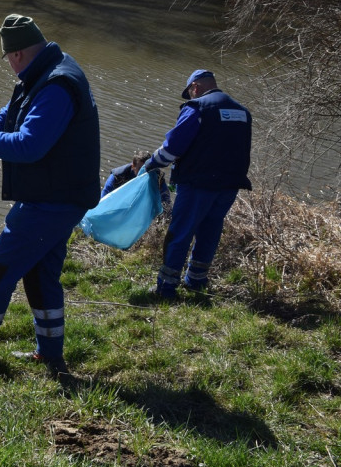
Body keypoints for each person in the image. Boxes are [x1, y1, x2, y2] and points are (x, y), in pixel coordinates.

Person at [0, 14, 101, 378]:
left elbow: (29, 145)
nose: (9, 65)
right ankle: (51, 356)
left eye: (8, 58)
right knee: (40, 274)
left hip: (55, 199)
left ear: (18, 54)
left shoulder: (57, 85)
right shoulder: (44, 70)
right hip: (56, 192)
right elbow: (11, 115)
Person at [143, 69, 252, 299]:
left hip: (198, 184)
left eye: (190, 93)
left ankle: (167, 287)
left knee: (180, 232)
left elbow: (173, 147)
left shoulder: (198, 108)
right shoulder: (242, 112)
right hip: (229, 186)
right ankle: (196, 280)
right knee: (210, 231)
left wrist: (152, 164)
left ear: (194, 87)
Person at [101, 150, 172, 209]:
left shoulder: (157, 177)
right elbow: (104, 198)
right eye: (140, 169)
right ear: (133, 167)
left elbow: (166, 200)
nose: (144, 173)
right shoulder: (118, 176)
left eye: (147, 170)